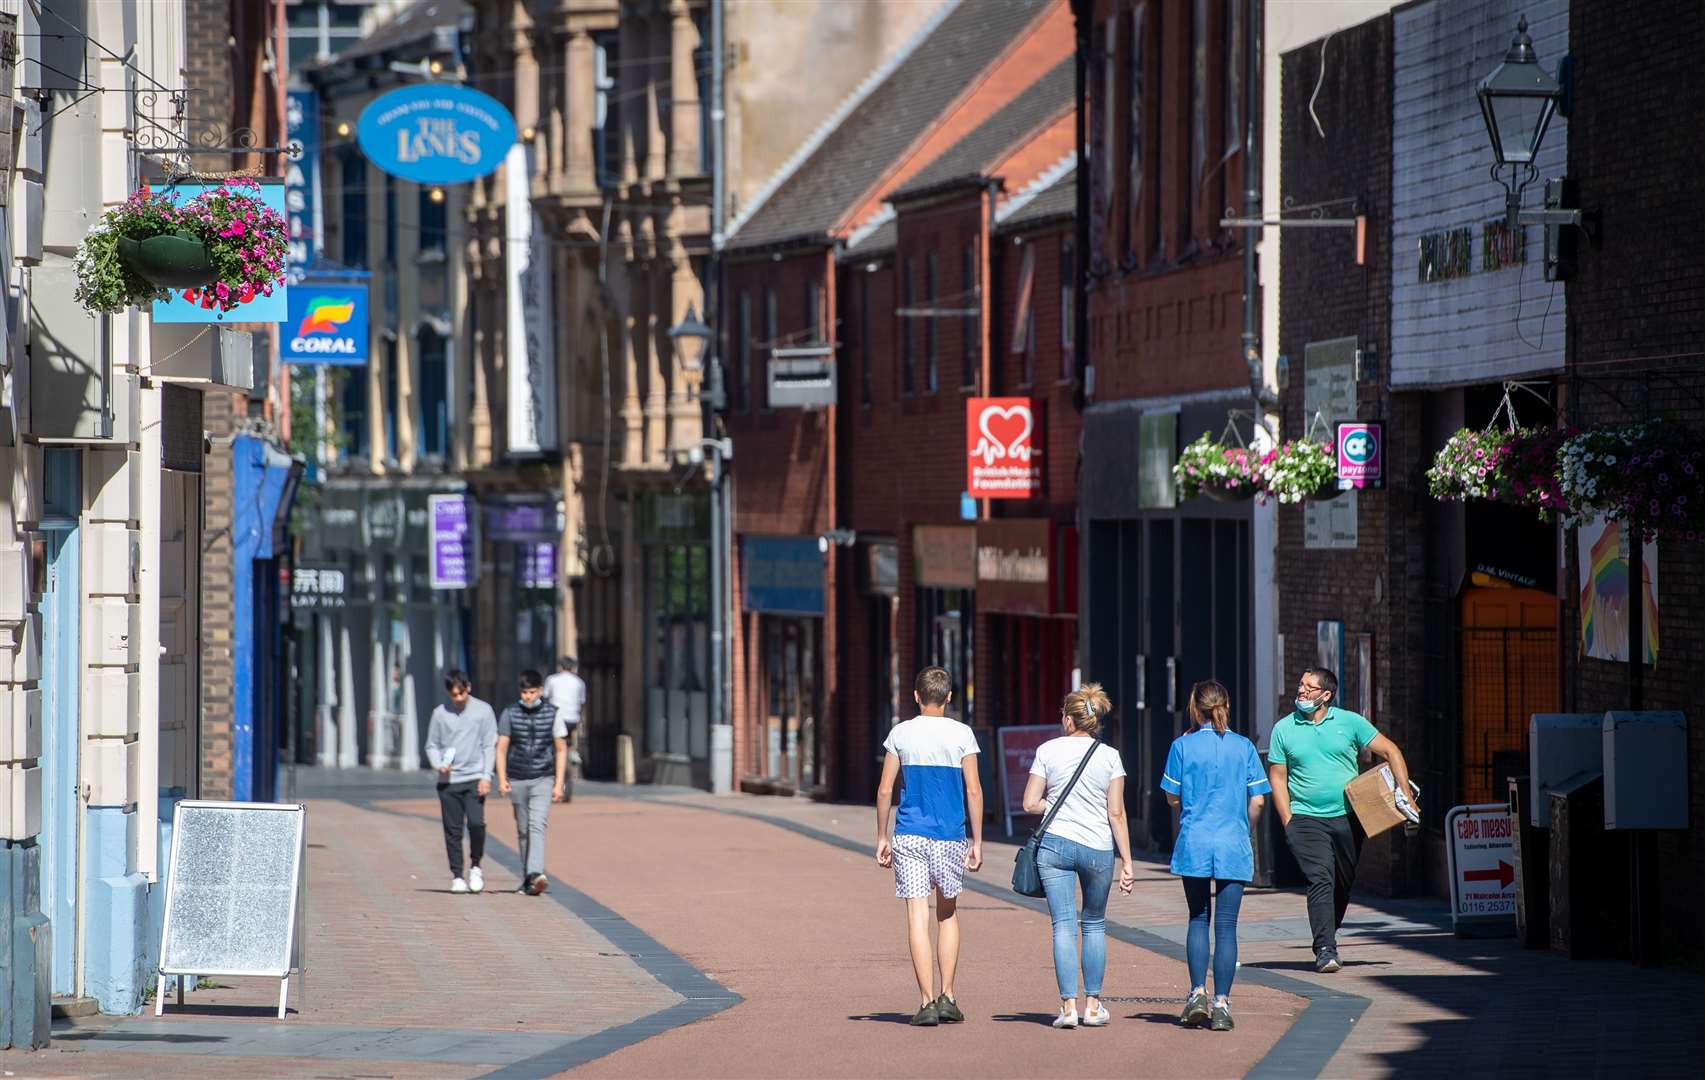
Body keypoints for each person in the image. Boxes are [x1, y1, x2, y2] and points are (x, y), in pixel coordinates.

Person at [1267, 667, 1416, 973]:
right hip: (1306, 818)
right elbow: (1278, 778)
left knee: (1342, 883)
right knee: (1320, 878)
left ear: (1326, 695)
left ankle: (1326, 933)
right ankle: (1325, 949)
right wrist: (1288, 820)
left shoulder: (1349, 722)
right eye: (1300, 685)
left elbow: (1390, 750)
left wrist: (1406, 794)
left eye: (1309, 687)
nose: (1301, 691)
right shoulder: (1284, 729)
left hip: (1349, 817)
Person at [1021, 683, 1135, 1030]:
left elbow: (1029, 803)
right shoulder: (1110, 756)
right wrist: (1127, 861)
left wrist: (1052, 805)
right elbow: (1116, 813)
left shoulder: (1047, 750)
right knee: (1095, 924)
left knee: (1063, 926)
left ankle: (1068, 1007)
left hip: (1055, 844)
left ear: (1070, 720)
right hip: (1098, 847)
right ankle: (1094, 1005)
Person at [874, 666, 984, 1027]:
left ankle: (925, 1002)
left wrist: (881, 836)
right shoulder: (962, 734)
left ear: (917, 696)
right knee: (947, 913)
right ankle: (948, 995)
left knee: (916, 917)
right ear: (950, 697)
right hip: (950, 835)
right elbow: (973, 790)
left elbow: (886, 789)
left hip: (909, 834)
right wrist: (978, 841)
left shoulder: (901, 734)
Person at [1161, 680, 1270, 1032]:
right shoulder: (1244, 747)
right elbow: (1258, 800)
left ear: (1195, 708)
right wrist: (1245, 829)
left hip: (1194, 840)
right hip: (1232, 843)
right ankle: (1222, 1003)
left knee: (1197, 918)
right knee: (1226, 926)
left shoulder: (1182, 746)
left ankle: (1197, 993)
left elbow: (1171, 797)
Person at [424, 670, 498, 895]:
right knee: (452, 830)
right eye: (454, 695)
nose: (458, 698)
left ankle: (476, 866)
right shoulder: (439, 714)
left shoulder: (483, 711)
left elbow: (489, 745)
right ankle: (457, 875)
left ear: (469, 687)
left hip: (475, 777)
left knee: (476, 824)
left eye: (462, 693)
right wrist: (439, 764)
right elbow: (432, 745)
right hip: (449, 781)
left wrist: (487, 775)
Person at [497, 669, 569, 896]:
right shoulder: (510, 713)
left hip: (543, 777)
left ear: (540, 691)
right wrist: (501, 779)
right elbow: (501, 748)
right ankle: (528, 878)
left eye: (532, 692)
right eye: (524, 692)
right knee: (523, 830)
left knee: (537, 825)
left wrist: (558, 784)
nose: (528, 697)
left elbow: (561, 749)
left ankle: (536, 872)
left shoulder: (553, 713)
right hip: (517, 777)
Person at [543, 656, 587, 793]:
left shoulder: (552, 679)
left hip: (556, 717)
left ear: (560, 667)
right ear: (573, 667)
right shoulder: (579, 682)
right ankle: (572, 753)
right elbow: (582, 702)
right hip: (572, 719)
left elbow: (545, 698)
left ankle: (555, 761)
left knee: (554, 744)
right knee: (568, 741)